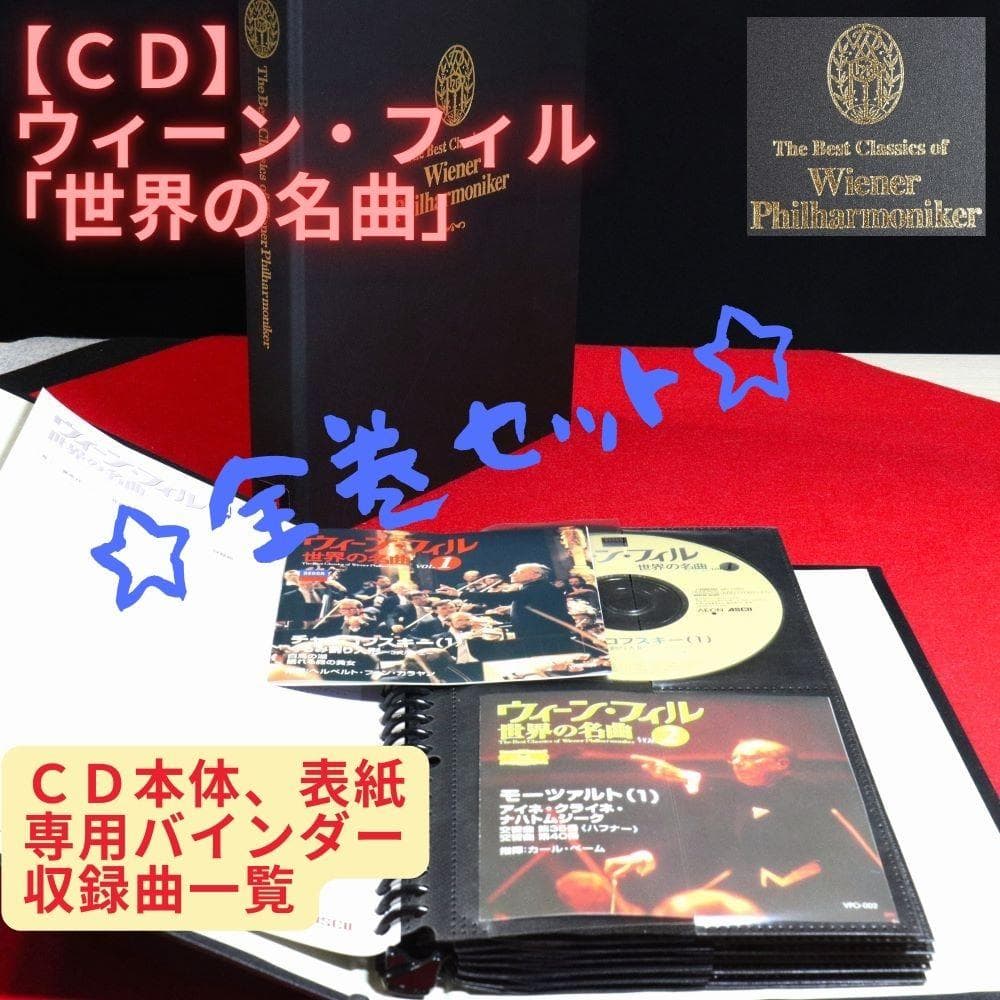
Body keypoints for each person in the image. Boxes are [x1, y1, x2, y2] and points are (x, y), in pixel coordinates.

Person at [603, 738, 892, 921]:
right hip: (753, 897)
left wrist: (684, 775)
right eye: (734, 758)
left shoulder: (810, 791)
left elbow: (778, 805)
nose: (738, 763)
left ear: (781, 764)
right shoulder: (738, 803)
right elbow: (703, 842)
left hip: (820, 896)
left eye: (749, 757)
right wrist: (648, 856)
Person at [491, 563, 575, 638]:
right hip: (539, 634)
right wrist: (510, 608)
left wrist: (483, 597)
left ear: (536, 575)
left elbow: (506, 597)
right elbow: (539, 606)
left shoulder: (537, 588)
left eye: (519, 572)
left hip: (543, 637)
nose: (511, 575)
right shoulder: (536, 587)